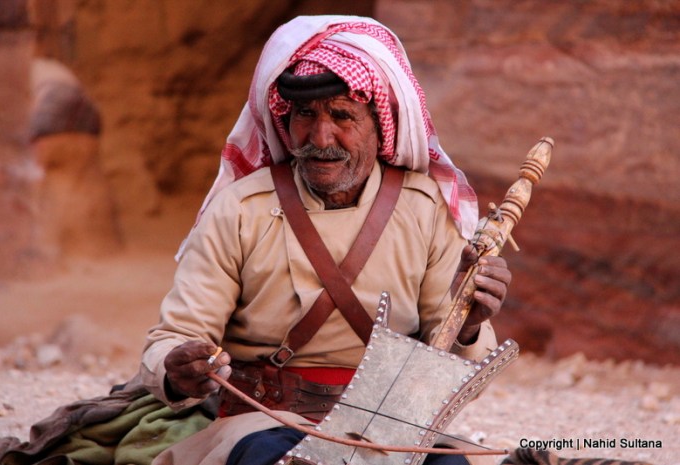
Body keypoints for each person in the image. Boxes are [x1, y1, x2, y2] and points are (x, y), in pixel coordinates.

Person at [139, 15, 511, 465]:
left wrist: (469, 324)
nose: (320, 137)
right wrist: (181, 370)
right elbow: (176, 336)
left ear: (380, 124)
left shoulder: (425, 210)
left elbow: (448, 364)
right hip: (267, 419)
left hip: (389, 427)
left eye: (341, 116)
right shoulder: (240, 210)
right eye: (305, 115)